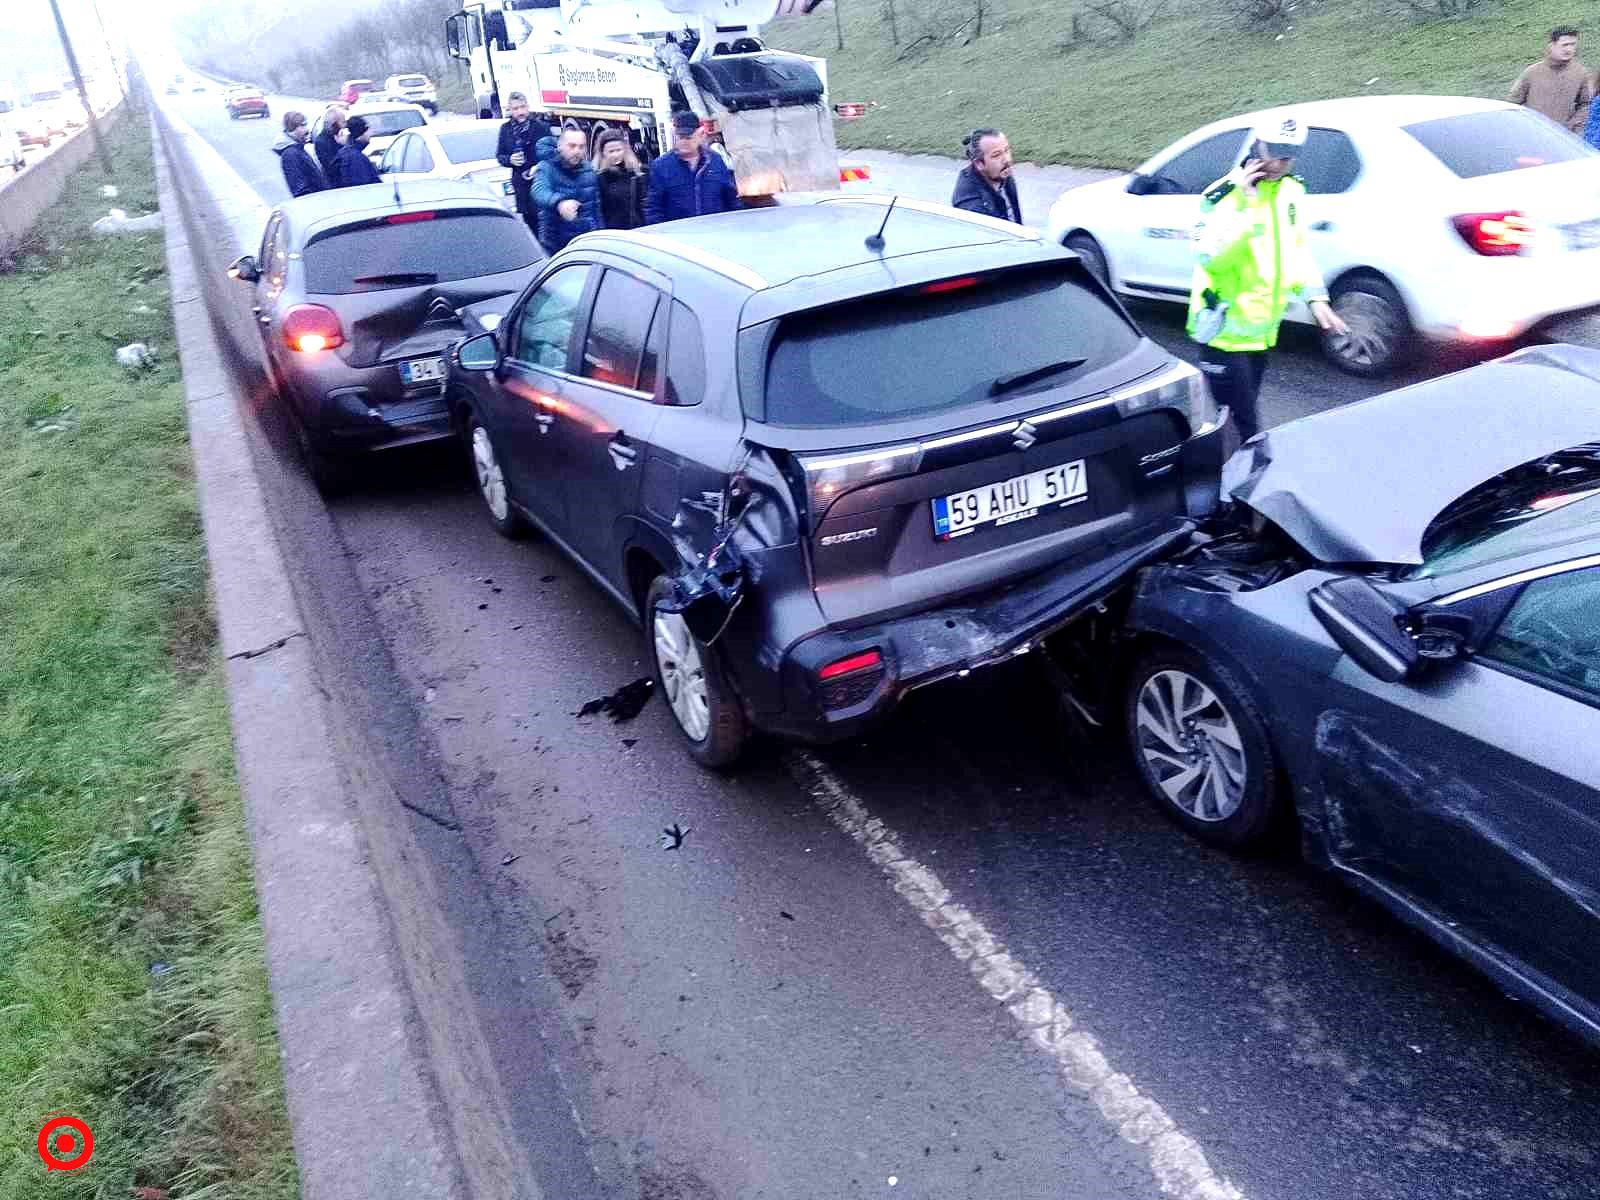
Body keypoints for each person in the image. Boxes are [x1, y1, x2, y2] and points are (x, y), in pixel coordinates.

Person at [1187, 116, 1349, 443]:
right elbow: (1212, 260)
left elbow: (1295, 251)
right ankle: (1234, 487)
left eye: (1288, 154)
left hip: (1259, 334)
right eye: (1274, 151)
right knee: (1244, 428)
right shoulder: (1221, 196)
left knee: (1238, 427)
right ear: (1256, 145)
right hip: (1222, 334)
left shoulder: (1291, 190)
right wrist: (1246, 207)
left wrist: (1315, 300)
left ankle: (1231, 482)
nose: (1280, 162)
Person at [644, 110, 740, 224]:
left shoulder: (715, 161)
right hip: (678, 235)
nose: (684, 142)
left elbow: (731, 199)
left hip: (714, 232)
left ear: (700, 135)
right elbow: (654, 208)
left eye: (688, 137)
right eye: (680, 137)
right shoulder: (661, 166)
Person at [1510, 26, 1592, 133]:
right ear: (1551, 46)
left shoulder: (1580, 73)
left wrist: (1573, 125)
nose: (1569, 49)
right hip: (1532, 133)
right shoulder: (1532, 72)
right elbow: (1512, 104)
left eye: (1573, 44)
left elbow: (1586, 104)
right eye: (1565, 45)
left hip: (1563, 137)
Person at [531, 126, 599, 254]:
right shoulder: (546, 167)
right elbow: (538, 190)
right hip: (556, 246)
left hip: (586, 242)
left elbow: (596, 209)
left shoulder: (589, 170)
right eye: (572, 146)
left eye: (581, 147)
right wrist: (560, 203)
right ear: (560, 146)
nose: (577, 151)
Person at [951, 128, 1022, 224]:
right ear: (979, 163)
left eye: (1006, 150)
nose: (1006, 159)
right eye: (996, 155)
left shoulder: (1000, 173)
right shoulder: (973, 207)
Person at [496, 91, 543, 234]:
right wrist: (510, 159)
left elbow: (552, 153)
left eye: (522, 107)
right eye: (516, 109)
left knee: (544, 221)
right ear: (510, 110)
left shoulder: (540, 127)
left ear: (528, 107)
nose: (520, 112)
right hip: (521, 184)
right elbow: (500, 155)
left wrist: (539, 166)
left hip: (540, 181)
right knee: (529, 222)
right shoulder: (506, 129)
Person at [593, 128, 645, 230]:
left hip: (636, 229)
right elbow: (598, 212)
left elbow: (641, 205)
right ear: (603, 153)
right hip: (613, 233)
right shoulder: (599, 178)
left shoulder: (634, 174)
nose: (616, 155)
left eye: (618, 150)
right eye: (611, 151)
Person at [272, 111, 327, 197]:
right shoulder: (290, 155)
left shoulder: (298, 149)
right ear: (292, 128)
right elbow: (300, 190)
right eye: (302, 125)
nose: (307, 129)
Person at [331, 115, 380, 187]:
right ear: (361, 133)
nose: (371, 134)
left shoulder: (346, 153)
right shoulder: (355, 158)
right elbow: (363, 187)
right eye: (368, 130)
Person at [313, 104, 347, 176]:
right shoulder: (322, 142)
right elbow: (332, 167)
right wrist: (344, 146)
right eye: (343, 122)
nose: (345, 126)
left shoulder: (340, 136)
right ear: (334, 124)